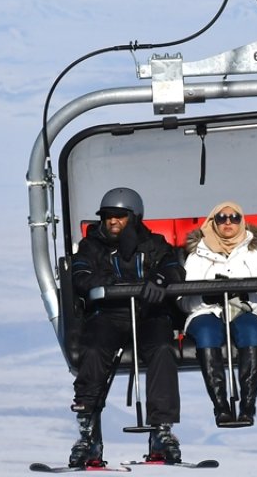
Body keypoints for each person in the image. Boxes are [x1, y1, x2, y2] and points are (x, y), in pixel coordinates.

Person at [68, 187, 185, 467]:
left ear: (134, 217)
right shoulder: (92, 246)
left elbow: (173, 268)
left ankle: (161, 430)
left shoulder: (155, 244)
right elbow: (81, 274)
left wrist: (158, 281)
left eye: (119, 216)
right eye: (108, 217)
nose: (112, 222)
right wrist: (109, 285)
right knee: (94, 350)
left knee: (161, 349)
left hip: (149, 315)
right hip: (108, 315)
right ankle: (88, 433)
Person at [178, 201, 257, 426]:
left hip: (246, 310)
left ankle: (248, 405)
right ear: (213, 222)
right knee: (205, 331)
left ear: (242, 221)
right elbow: (184, 302)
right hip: (208, 311)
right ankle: (221, 406)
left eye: (234, 218)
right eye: (221, 218)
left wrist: (245, 297)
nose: (228, 222)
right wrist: (206, 297)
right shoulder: (198, 254)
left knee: (250, 330)